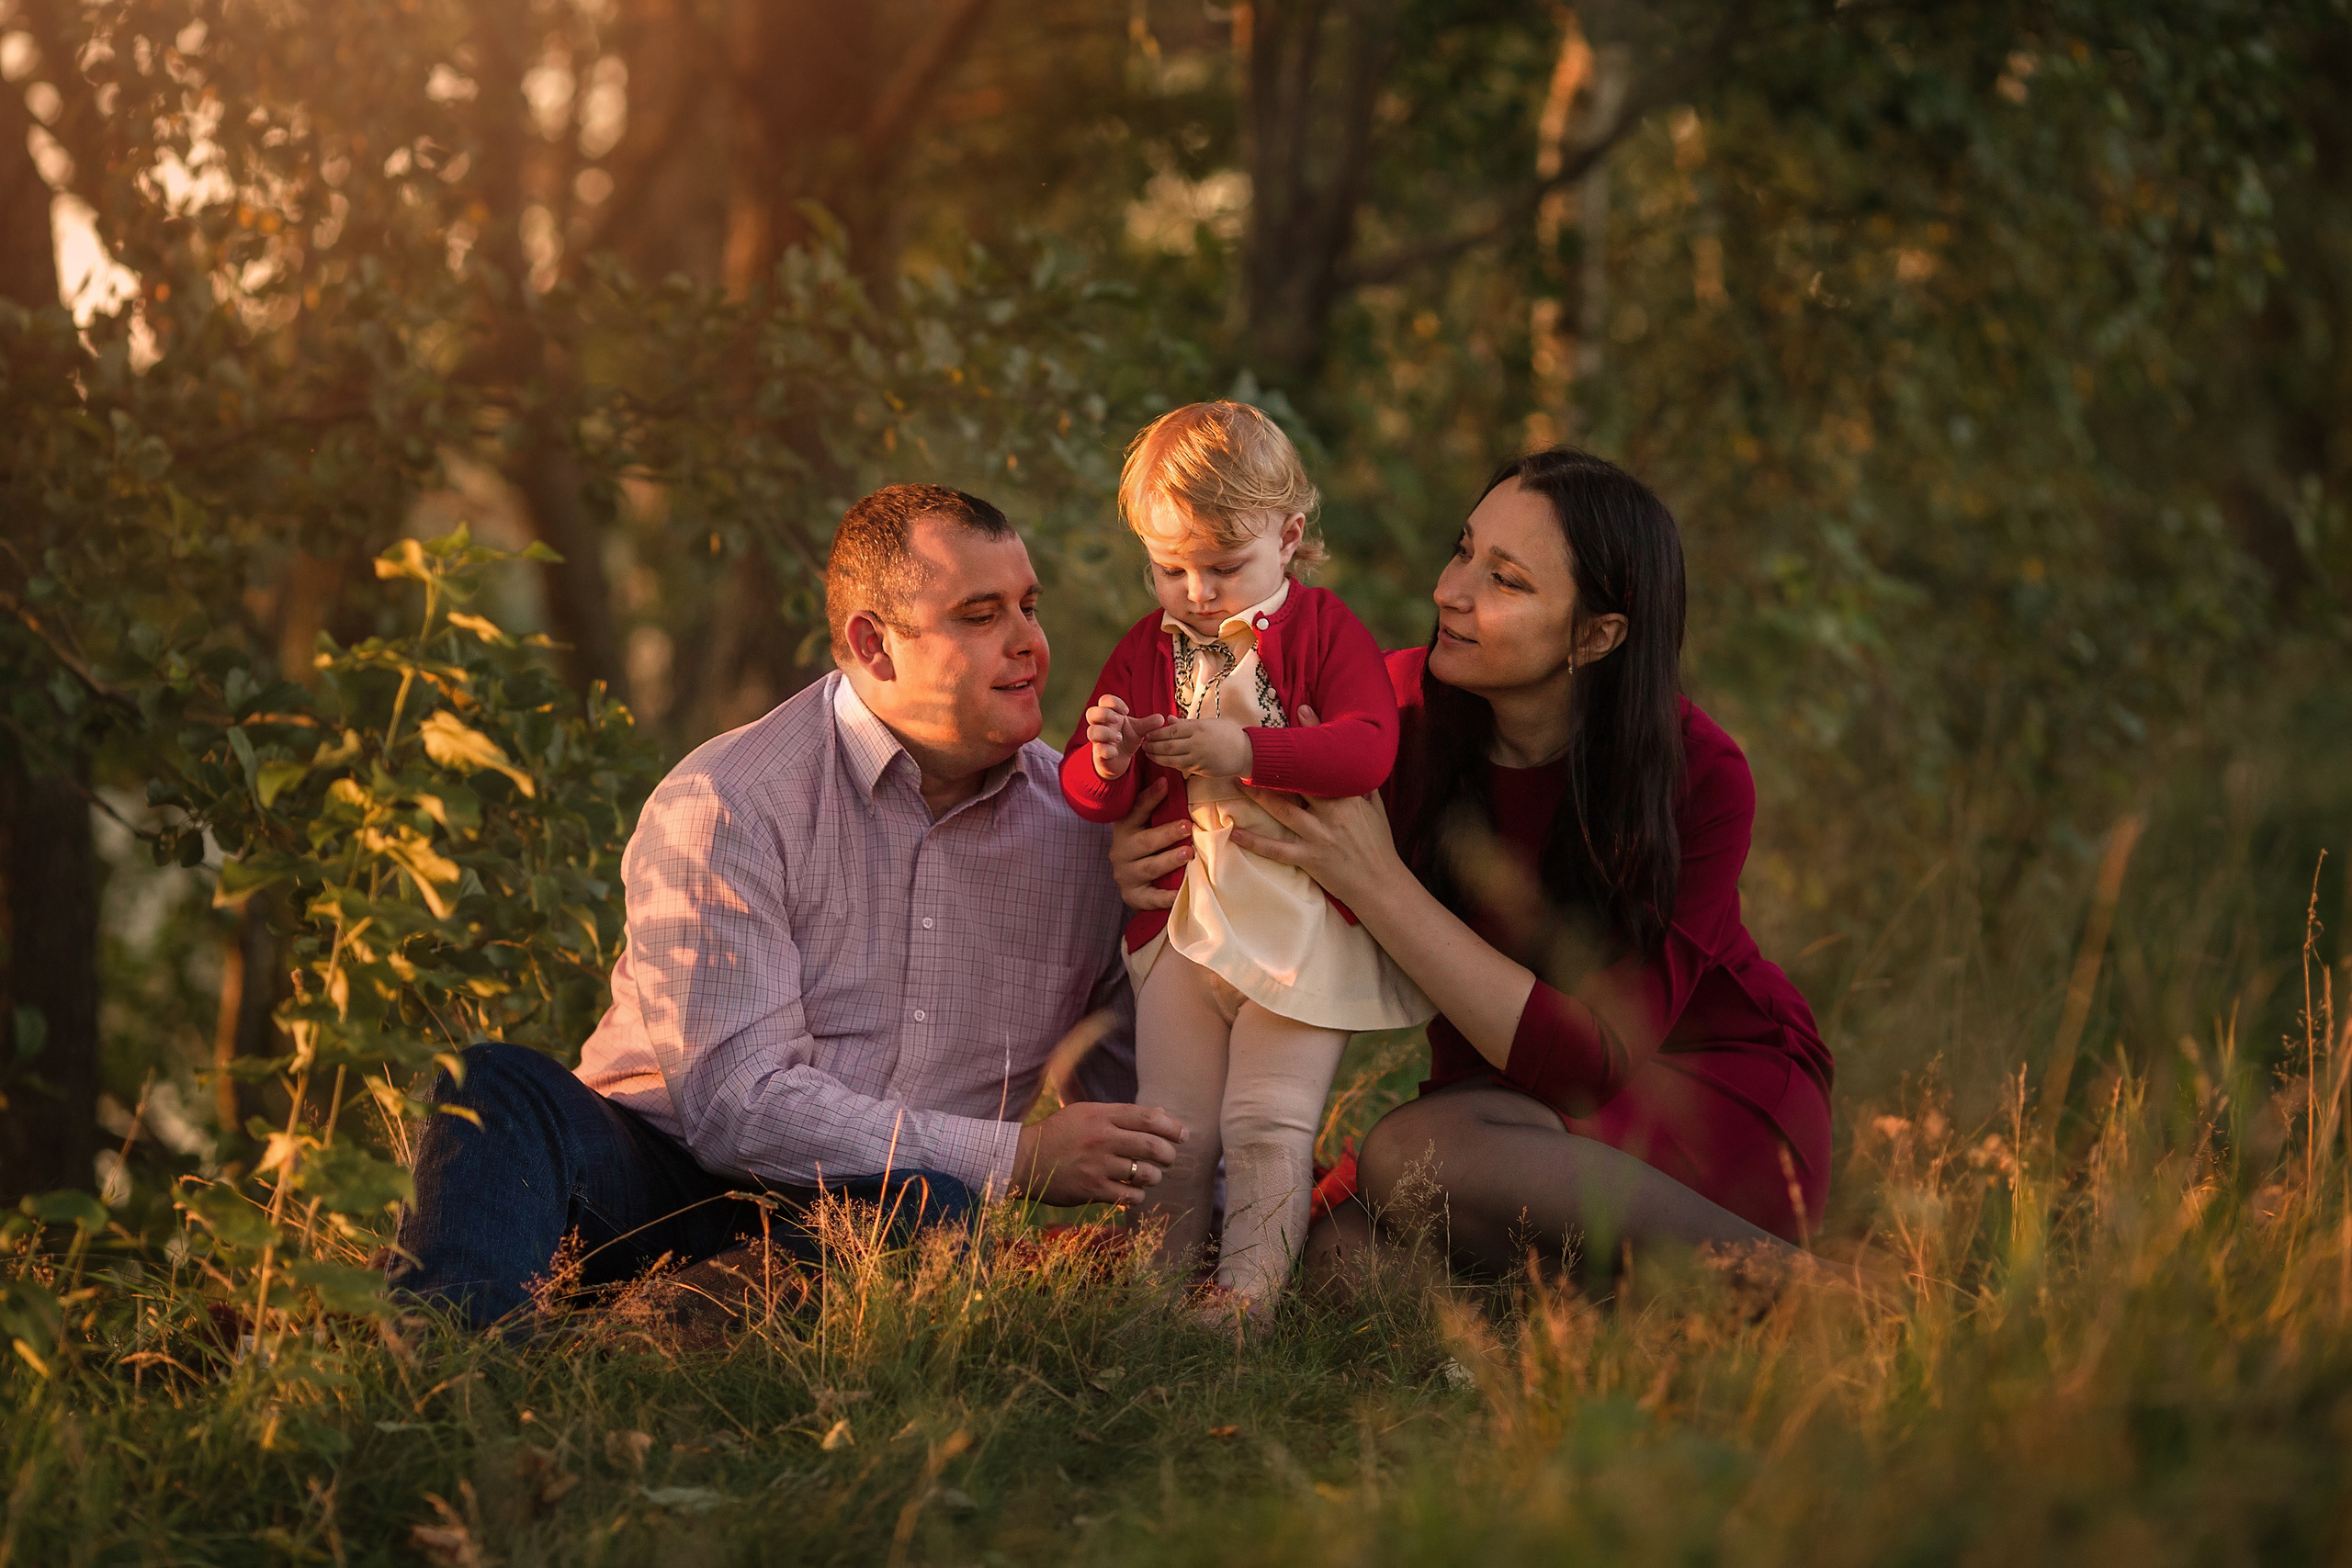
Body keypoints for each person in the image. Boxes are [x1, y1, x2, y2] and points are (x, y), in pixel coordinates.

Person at [385, 483, 1187, 1329]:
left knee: (936, 1215)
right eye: (982, 615)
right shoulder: (729, 800)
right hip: (652, 1185)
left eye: (1029, 606)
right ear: (873, 646)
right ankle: (451, 1376)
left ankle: (620, 1351)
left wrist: (1281, 1214)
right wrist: (1019, 1157)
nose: (1030, 642)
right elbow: (736, 1105)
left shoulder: (1083, 842)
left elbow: (1153, 1107)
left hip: (862, 1224)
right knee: (494, 1087)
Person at [1108, 448, 1834, 1288]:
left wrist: (1375, 880)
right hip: (1502, 1115)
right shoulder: (1396, 712)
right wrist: (1161, 852)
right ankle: (1640, 1318)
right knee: (1342, 1269)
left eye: (1507, 581)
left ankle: (1819, 1294)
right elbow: (1264, 851)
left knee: (1415, 1151)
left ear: (1597, 636)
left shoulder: (1699, 773)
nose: (1449, 590)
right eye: (1463, 550)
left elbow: (1591, 1067)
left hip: (1704, 1108)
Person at [1060, 403, 1430, 1314]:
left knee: (1266, 1122)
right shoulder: (1146, 648)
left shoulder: (1319, 630)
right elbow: (1090, 791)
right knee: (1173, 1130)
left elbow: (1366, 749)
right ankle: (1158, 1297)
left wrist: (1249, 754)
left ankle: (1247, 1306)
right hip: (1181, 925)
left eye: (1223, 566)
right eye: (1169, 567)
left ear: (1289, 537)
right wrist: (1103, 759)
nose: (1196, 590)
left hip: (1296, 921)